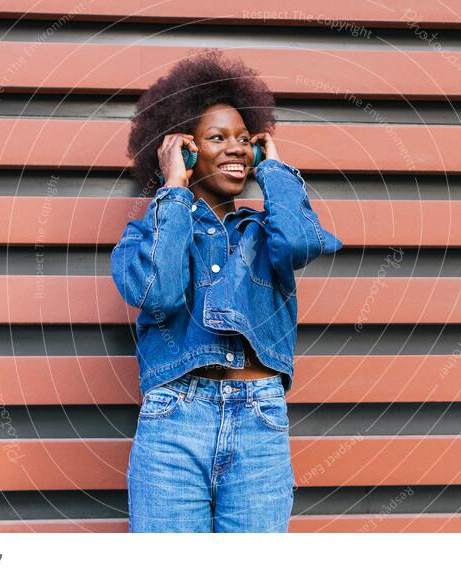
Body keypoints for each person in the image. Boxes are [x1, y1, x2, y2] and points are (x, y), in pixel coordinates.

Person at [111, 49, 343, 532]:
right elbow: (159, 293)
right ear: (186, 151)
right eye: (217, 138)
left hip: (260, 421)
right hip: (174, 421)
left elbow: (303, 239)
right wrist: (173, 187)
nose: (236, 148)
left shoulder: (266, 233)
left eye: (245, 139)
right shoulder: (145, 236)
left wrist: (274, 169)